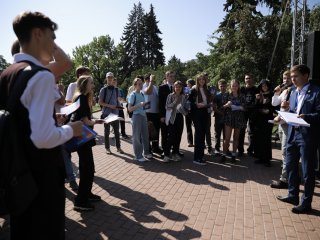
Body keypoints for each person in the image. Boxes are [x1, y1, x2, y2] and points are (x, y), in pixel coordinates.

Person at [0, 11, 83, 240]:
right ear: (38, 34)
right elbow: (42, 138)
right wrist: (70, 130)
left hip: (17, 175)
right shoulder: (41, 76)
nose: (54, 43)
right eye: (52, 37)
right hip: (41, 177)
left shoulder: (7, 73)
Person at [277, 64, 320, 214]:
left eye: (295, 76)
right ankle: (292, 195)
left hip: (307, 136)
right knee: (290, 165)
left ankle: (306, 203)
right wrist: (286, 110)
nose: (292, 79)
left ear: (305, 75)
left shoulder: (316, 92)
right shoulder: (293, 92)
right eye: (291, 77)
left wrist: (306, 117)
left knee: (307, 170)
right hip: (292, 134)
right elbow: (294, 112)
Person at [71, 75, 104, 211]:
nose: (93, 85)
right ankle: (80, 201)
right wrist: (98, 121)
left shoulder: (82, 98)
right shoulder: (82, 98)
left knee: (89, 168)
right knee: (86, 169)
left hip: (84, 138)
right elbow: (85, 121)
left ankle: (87, 194)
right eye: (91, 83)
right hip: (82, 139)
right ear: (84, 84)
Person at [270, 70, 293, 188]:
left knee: (286, 151)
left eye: (288, 78)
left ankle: (285, 179)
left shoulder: (294, 91)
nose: (286, 80)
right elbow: (274, 103)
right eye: (284, 78)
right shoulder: (284, 90)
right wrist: (276, 92)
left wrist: (280, 117)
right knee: (284, 152)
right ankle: (289, 176)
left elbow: (290, 109)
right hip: (281, 124)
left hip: (288, 125)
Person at [189, 74, 212, 165]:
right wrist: (196, 105)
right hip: (197, 114)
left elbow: (209, 101)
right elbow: (189, 103)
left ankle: (201, 156)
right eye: (200, 79)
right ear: (197, 81)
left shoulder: (206, 90)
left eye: (203, 79)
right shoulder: (194, 90)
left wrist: (211, 103)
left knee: (202, 135)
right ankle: (196, 158)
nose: (202, 81)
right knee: (198, 136)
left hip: (205, 113)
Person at [127, 78, 153, 162]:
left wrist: (145, 105)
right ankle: (138, 155)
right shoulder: (132, 95)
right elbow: (129, 109)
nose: (141, 85)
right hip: (136, 116)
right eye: (138, 84)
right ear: (134, 85)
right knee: (136, 137)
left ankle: (146, 152)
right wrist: (139, 105)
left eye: (141, 83)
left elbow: (143, 106)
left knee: (145, 135)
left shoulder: (142, 94)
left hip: (143, 116)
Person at [221, 79, 246, 163]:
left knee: (236, 138)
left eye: (236, 85)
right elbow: (221, 107)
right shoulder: (226, 95)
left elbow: (245, 107)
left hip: (238, 119)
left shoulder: (242, 96)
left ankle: (234, 155)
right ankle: (224, 155)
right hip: (229, 119)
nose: (234, 87)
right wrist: (226, 105)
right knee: (227, 138)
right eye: (233, 86)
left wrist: (240, 107)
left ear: (238, 86)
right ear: (230, 86)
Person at [99, 72, 124, 154]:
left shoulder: (116, 90)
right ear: (106, 78)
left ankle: (118, 147)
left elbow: (118, 101)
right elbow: (100, 102)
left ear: (113, 78)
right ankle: (107, 148)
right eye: (108, 77)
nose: (110, 79)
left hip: (115, 113)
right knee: (107, 132)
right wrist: (110, 106)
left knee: (117, 132)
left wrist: (120, 105)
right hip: (106, 114)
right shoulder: (103, 90)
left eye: (111, 77)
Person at [164, 81, 188, 162]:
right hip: (172, 118)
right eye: (176, 87)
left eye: (179, 87)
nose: (178, 88)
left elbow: (185, 110)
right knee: (171, 137)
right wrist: (174, 103)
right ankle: (166, 155)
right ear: (174, 87)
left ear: (182, 88)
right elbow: (167, 106)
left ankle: (175, 154)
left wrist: (183, 110)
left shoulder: (184, 96)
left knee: (178, 137)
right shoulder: (170, 96)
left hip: (180, 117)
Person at [253, 80, 274, 167]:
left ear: (268, 86)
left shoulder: (272, 95)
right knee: (260, 139)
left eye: (265, 86)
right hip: (259, 120)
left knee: (267, 139)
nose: (264, 87)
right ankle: (261, 158)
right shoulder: (259, 95)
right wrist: (257, 101)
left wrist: (268, 111)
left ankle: (267, 159)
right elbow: (255, 108)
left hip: (268, 120)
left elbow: (274, 107)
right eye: (262, 86)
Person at [143, 73, 163, 155]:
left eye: (150, 79)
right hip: (148, 112)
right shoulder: (144, 86)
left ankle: (155, 147)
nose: (149, 80)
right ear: (146, 79)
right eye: (148, 79)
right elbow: (148, 92)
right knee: (148, 132)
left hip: (156, 112)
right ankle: (148, 149)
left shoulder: (154, 87)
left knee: (156, 131)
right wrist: (150, 81)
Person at [238, 74, 257, 157]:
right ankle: (240, 150)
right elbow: (239, 99)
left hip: (252, 112)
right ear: (244, 80)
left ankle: (250, 150)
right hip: (243, 112)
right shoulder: (241, 89)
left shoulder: (256, 89)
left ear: (252, 79)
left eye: (250, 78)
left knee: (251, 132)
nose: (248, 80)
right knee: (241, 131)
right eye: (246, 78)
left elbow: (257, 101)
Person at [159, 71, 175, 160]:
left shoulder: (176, 87)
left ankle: (170, 150)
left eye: (173, 76)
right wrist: (162, 115)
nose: (172, 78)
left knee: (172, 134)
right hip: (165, 115)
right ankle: (165, 152)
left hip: (174, 115)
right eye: (170, 76)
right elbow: (160, 103)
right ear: (167, 77)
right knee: (164, 134)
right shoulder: (162, 87)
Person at [213, 79, 228, 155]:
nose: (223, 87)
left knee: (226, 135)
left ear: (226, 86)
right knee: (217, 134)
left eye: (224, 86)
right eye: (221, 86)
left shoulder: (229, 95)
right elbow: (214, 108)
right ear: (218, 86)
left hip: (227, 118)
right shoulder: (216, 96)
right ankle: (217, 149)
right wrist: (221, 113)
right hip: (218, 117)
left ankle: (226, 149)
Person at [204, 72, 216, 154]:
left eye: (206, 78)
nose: (205, 80)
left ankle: (209, 147)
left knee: (207, 130)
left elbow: (213, 99)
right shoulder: (197, 88)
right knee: (199, 130)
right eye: (204, 78)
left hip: (207, 112)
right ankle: (201, 145)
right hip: (199, 112)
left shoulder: (211, 88)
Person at [184, 79, 195, 147]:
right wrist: (185, 95)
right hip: (187, 111)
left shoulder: (195, 90)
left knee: (197, 126)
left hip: (194, 111)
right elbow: (184, 99)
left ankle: (198, 141)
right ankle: (190, 142)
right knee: (188, 126)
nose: (187, 85)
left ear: (191, 84)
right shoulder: (185, 90)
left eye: (188, 84)